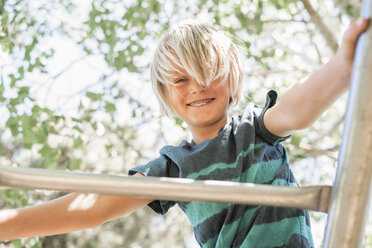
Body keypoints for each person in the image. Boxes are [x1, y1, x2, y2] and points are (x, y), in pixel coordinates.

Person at [0, 17, 368, 247]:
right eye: (181, 79)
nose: (198, 86)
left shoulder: (255, 131)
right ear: (165, 93)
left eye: (210, 73)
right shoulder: (173, 167)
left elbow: (296, 108)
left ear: (232, 81)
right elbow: (92, 208)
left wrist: (342, 67)